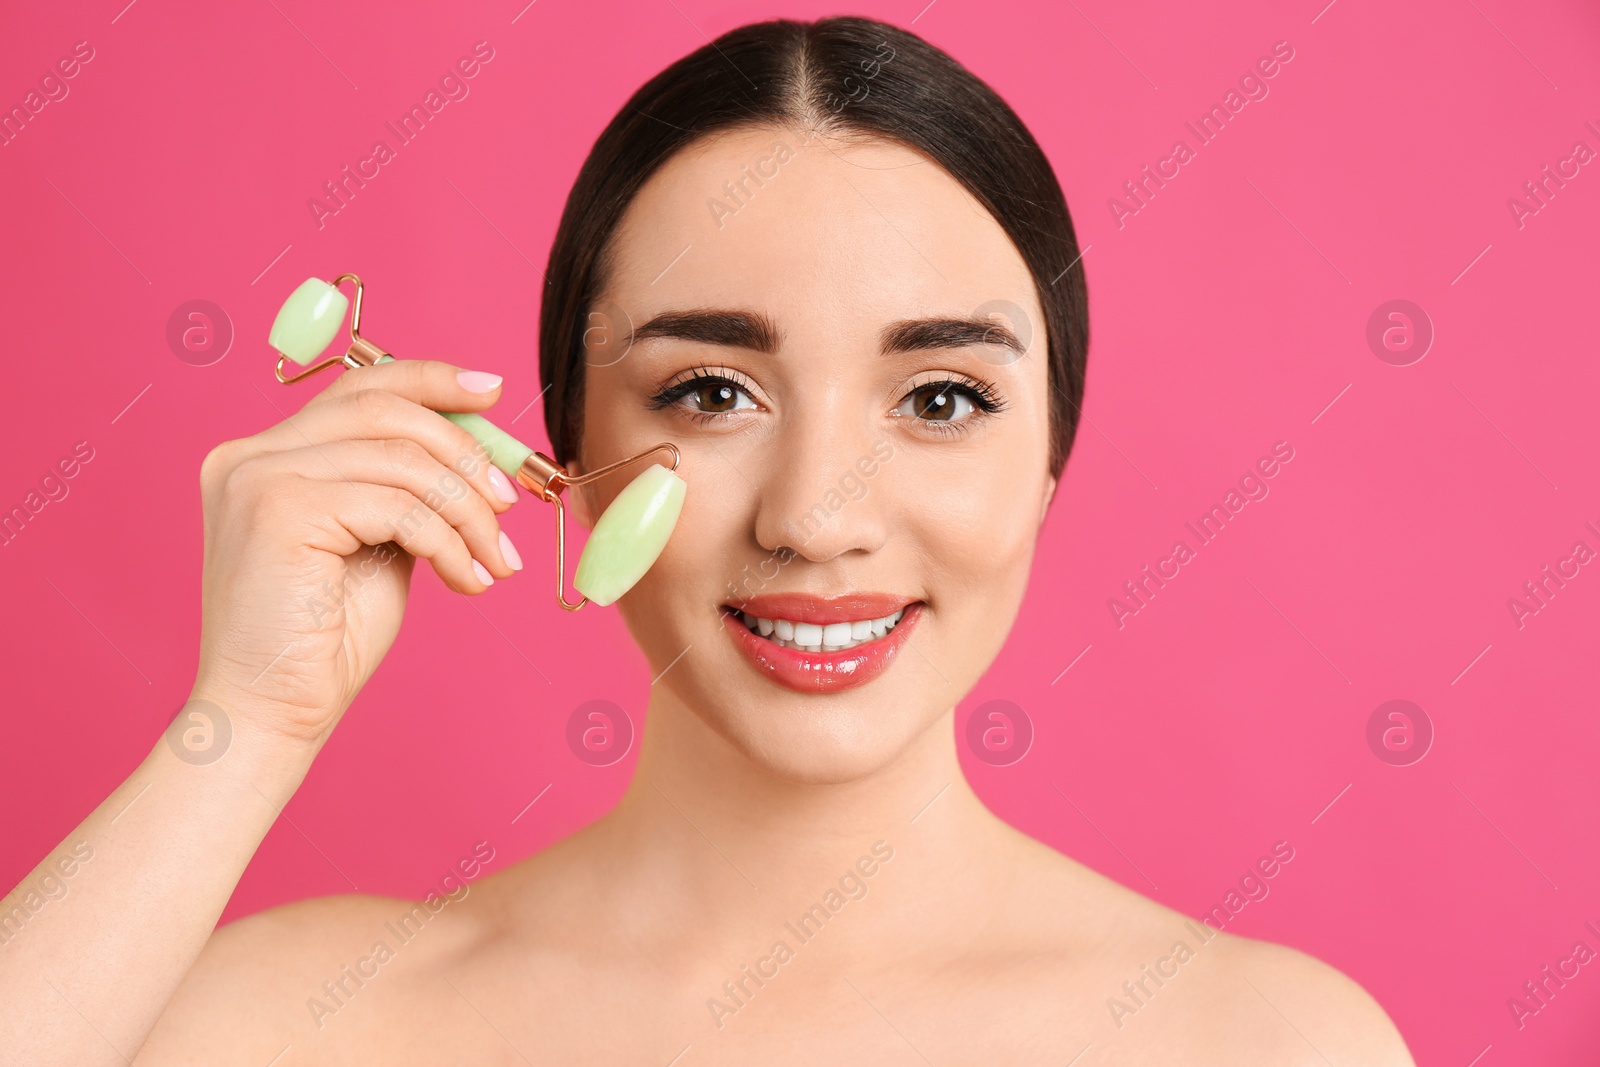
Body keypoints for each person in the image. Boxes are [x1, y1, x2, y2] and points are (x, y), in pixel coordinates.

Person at [1, 16, 1413, 1065]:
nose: (813, 518)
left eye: (941, 398)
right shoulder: (277, 1022)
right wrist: (243, 726)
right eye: (711, 393)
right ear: (564, 453)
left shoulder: (1261, 1042)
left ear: (1047, 462)